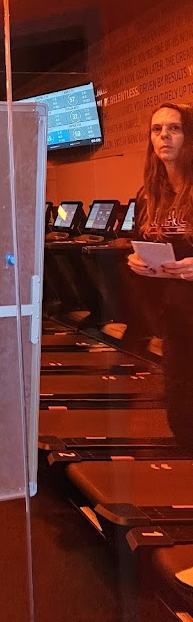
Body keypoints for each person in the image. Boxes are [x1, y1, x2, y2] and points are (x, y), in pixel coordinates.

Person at [128, 101, 193, 450]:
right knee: (181, 412)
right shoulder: (149, 194)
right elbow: (143, 241)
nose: (164, 136)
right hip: (175, 318)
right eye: (157, 129)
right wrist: (137, 261)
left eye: (174, 128)